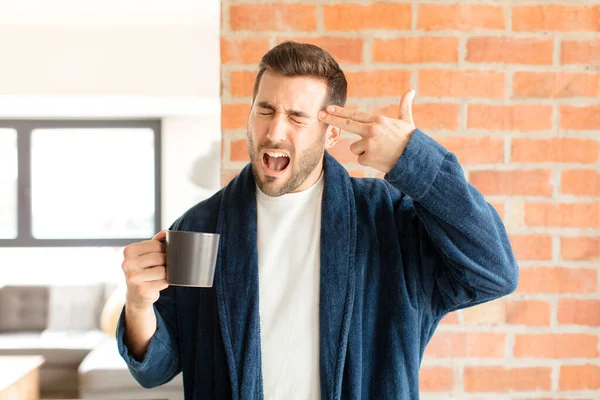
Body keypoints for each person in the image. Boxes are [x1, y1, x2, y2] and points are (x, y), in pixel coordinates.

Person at [117, 41, 519, 399]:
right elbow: (157, 367)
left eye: (297, 117)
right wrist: (138, 304)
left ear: (330, 135)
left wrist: (414, 162)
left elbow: (493, 272)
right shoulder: (202, 226)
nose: (274, 131)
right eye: (266, 109)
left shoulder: (386, 220)